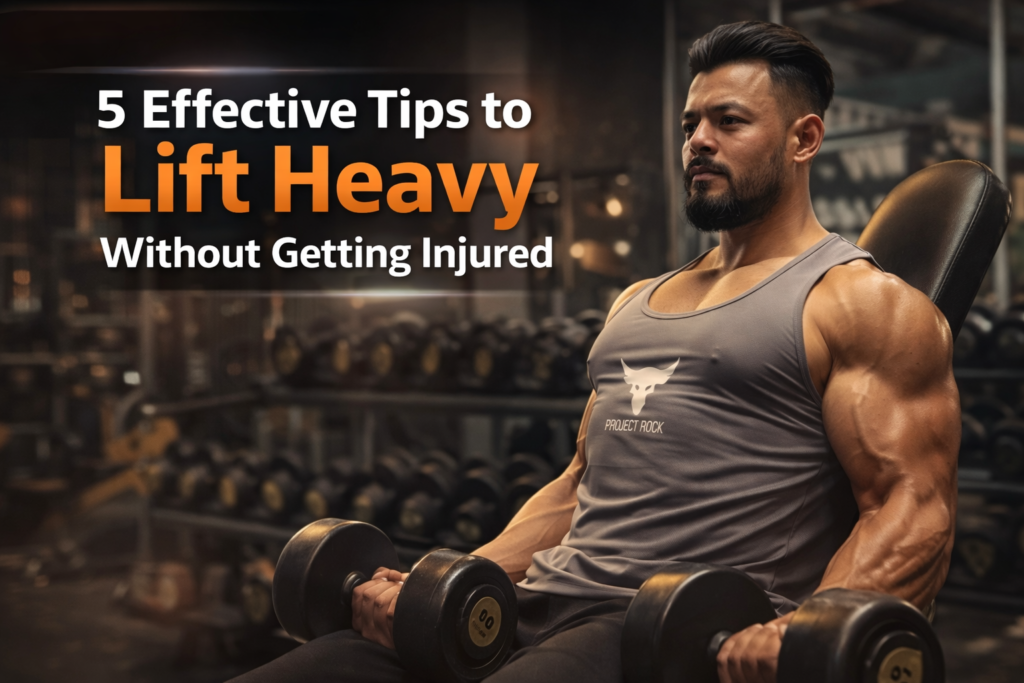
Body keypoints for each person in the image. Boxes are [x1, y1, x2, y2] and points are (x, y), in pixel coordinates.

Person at [231, 20, 958, 683]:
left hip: (665, 630)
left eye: (729, 121)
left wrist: (802, 629)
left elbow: (911, 503)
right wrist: (444, 581)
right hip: (533, 599)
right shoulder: (635, 301)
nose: (699, 140)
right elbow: (580, 485)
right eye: (691, 123)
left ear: (803, 139)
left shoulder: (857, 301)